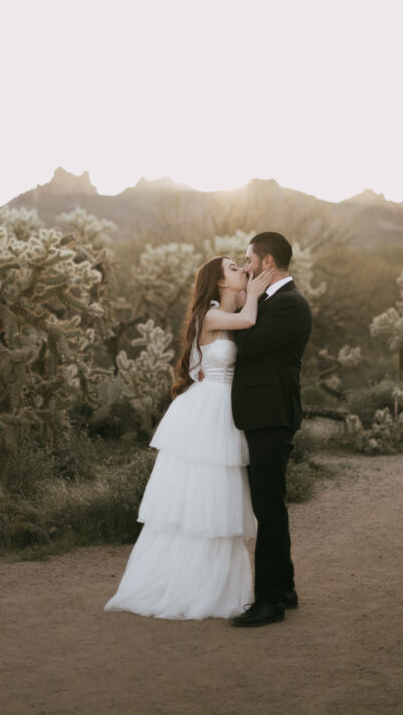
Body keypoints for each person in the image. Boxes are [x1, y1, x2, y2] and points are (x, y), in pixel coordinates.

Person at [104, 256, 273, 620]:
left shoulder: (231, 310)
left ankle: (219, 584)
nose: (240, 271)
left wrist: (250, 290)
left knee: (222, 495)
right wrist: (256, 290)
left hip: (225, 409)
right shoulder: (209, 317)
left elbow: (247, 321)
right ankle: (186, 584)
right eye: (232, 268)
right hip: (209, 410)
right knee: (201, 496)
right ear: (219, 283)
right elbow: (248, 320)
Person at [230, 232, 312, 627]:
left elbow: (248, 347)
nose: (244, 267)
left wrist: (247, 300)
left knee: (269, 508)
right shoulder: (269, 302)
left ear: (266, 264)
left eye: (248, 260)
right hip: (261, 414)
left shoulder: (290, 305)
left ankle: (269, 603)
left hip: (271, 414)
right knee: (270, 505)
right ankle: (286, 588)